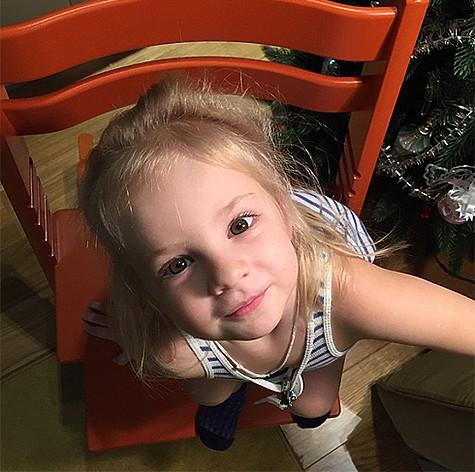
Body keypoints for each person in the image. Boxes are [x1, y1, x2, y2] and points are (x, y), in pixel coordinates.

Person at [80, 74, 475, 452]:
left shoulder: (352, 294)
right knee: (207, 390)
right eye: (179, 264)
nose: (228, 275)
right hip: (197, 336)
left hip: (320, 320)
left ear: (283, 207)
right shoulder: (169, 341)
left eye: (240, 225)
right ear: (144, 290)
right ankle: (233, 386)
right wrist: (135, 331)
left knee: (312, 407)